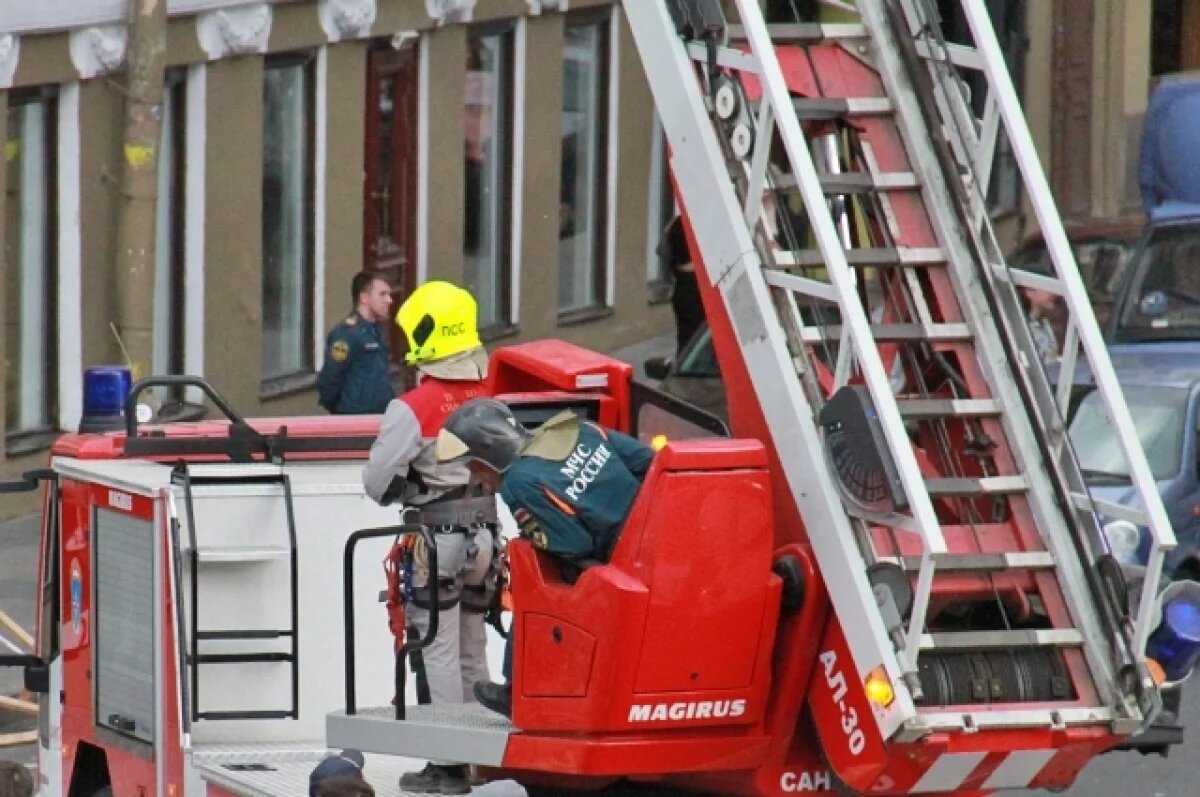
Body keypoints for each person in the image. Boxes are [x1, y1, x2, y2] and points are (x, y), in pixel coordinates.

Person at [435, 398, 655, 718]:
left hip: (613, 570)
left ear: (489, 451)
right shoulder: (579, 428)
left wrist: (536, 541)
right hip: (656, 545)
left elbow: (572, 544)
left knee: (532, 571)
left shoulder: (518, 483)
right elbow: (646, 462)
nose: (478, 479)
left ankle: (516, 689)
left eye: (474, 466)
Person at [361, 280, 497, 795]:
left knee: (436, 651)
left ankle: (446, 765)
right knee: (472, 648)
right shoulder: (488, 395)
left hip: (435, 541)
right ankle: (481, 756)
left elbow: (377, 484)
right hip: (485, 539)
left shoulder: (413, 408)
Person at [317, 271, 395, 415]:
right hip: (355, 418)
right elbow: (330, 378)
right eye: (382, 294)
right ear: (364, 298)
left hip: (380, 417)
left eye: (389, 295)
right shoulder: (347, 334)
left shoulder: (376, 332)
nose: (389, 300)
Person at [657, 214, 705, 356]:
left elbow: (662, 250)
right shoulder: (700, 223)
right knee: (699, 336)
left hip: (682, 282)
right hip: (695, 282)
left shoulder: (677, 222)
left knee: (687, 336)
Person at [309, 749, 373, 796]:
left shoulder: (331, 759)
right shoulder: (352, 769)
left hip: (316, 780)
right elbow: (354, 786)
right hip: (331, 786)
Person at [1022, 286, 1060, 366]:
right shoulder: (1023, 328)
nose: (1054, 293)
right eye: (1047, 288)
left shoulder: (1044, 323)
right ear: (1029, 292)